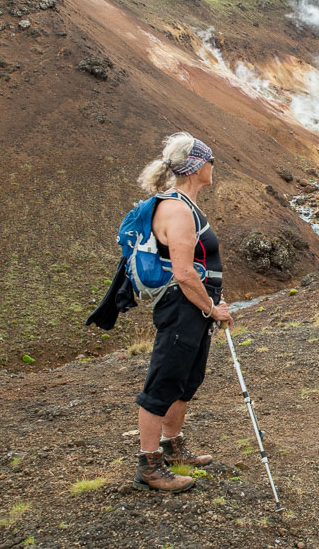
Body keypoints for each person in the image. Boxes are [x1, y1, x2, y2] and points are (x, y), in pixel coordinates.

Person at [132, 132, 233, 493]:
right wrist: (211, 308)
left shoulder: (186, 205)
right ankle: (149, 466)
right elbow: (184, 271)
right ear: (196, 166)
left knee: (186, 379)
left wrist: (211, 305)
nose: (213, 166)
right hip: (182, 308)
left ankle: (173, 448)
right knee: (162, 383)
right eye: (210, 160)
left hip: (195, 307)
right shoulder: (176, 209)